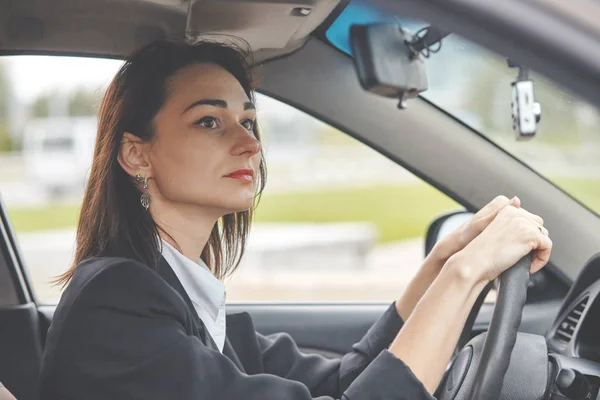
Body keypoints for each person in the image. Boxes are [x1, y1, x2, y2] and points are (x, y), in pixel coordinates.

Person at [38, 39, 552, 400]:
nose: (249, 143)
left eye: (249, 120)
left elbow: (346, 379)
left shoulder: (186, 301)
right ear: (137, 155)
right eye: (209, 121)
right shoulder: (117, 304)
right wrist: (468, 276)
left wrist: (446, 259)